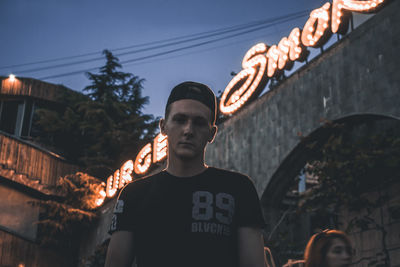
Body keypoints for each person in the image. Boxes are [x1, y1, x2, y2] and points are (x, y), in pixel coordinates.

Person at [105, 81, 266, 267]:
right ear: (163, 127)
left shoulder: (238, 189)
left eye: (199, 123)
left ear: (211, 133)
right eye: (180, 120)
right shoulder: (134, 194)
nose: (188, 130)